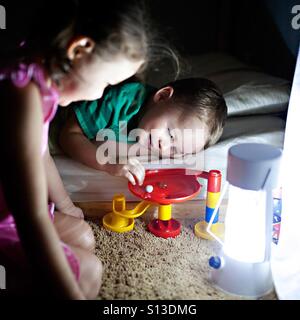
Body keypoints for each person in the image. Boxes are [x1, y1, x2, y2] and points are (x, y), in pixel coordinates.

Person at [0, 0, 151, 299]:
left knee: (83, 235)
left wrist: (66, 205)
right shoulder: (21, 92)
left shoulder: (37, 77)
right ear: (79, 50)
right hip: (9, 214)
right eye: (107, 82)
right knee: (89, 272)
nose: (101, 93)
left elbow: (38, 152)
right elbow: (30, 217)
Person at [59, 77, 227, 185]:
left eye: (176, 150)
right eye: (169, 133)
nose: (164, 146)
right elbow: (68, 136)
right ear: (161, 97)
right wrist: (107, 165)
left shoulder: (153, 142)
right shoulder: (120, 101)